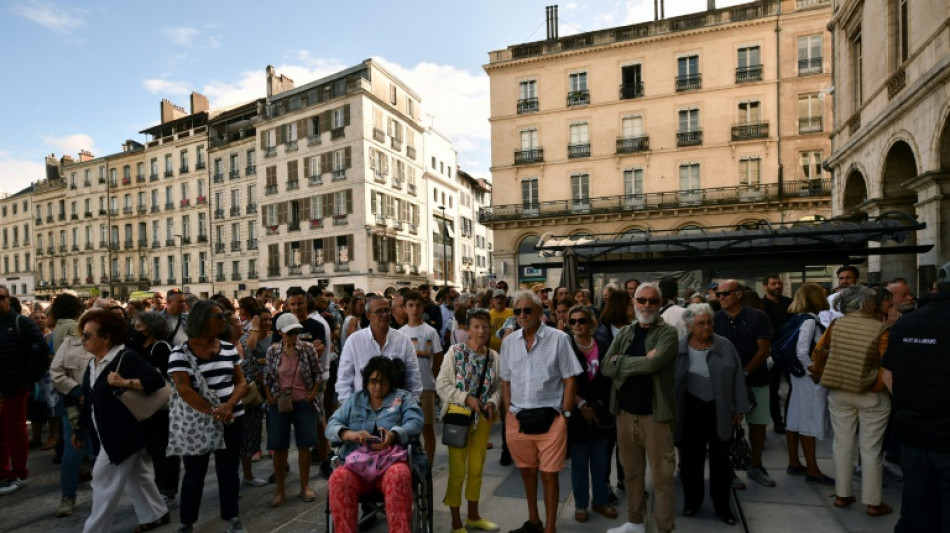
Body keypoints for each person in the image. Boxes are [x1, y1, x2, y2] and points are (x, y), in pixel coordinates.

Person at [70, 309, 169, 532]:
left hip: (123, 433)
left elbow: (156, 381)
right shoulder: (94, 363)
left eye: (87, 335)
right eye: (83, 335)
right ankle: (156, 513)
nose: (82, 340)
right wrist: (80, 428)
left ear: (106, 337)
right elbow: (90, 400)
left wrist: (125, 382)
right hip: (105, 432)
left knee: (102, 480)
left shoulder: (126, 357)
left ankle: (94, 529)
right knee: (137, 476)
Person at [500, 290, 581, 533]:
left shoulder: (559, 339)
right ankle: (534, 521)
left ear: (540, 312)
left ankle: (551, 528)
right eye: (517, 311)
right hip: (518, 419)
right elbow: (505, 380)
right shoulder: (509, 342)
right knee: (526, 473)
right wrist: (508, 414)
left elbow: (569, 379)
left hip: (551, 419)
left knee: (549, 475)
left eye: (527, 310)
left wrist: (565, 416)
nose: (522, 315)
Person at [602, 282, 679, 533]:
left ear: (660, 304)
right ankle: (635, 522)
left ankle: (664, 528)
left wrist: (622, 362)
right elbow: (606, 366)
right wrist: (640, 361)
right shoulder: (626, 332)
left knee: (662, 478)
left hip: (656, 416)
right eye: (641, 300)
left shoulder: (668, 333)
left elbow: (653, 366)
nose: (646, 305)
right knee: (631, 474)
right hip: (625, 414)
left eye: (652, 301)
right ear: (633, 302)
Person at [167, 300, 248, 533]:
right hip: (199, 421)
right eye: (218, 316)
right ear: (202, 321)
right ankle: (187, 522)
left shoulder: (229, 348)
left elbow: (241, 382)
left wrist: (228, 407)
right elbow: (184, 390)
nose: (224, 320)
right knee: (194, 474)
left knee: (229, 471)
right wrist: (214, 412)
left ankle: (232, 517)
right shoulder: (179, 353)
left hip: (232, 417)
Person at [881, 268, 950, 532]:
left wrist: (909, 405)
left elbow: (887, 375)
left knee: (916, 513)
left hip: (913, 432)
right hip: (942, 436)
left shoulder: (905, 324)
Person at [326, 356, 424, 533]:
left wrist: (393, 435)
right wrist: (351, 434)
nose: (377, 387)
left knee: (399, 475)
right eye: (373, 381)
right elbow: (332, 425)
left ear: (391, 382)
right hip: (357, 466)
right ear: (366, 381)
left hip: (390, 464)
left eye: (383, 382)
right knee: (338, 479)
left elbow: (416, 422)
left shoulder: (402, 398)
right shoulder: (355, 401)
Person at [820, 285, 893, 517]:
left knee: (842, 443)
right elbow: (887, 363)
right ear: (866, 303)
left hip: (839, 390)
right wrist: (877, 385)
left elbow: (820, 351)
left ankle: (842, 495)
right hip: (871, 393)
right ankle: (873, 502)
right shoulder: (880, 328)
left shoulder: (836, 325)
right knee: (871, 448)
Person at [675, 303, 749, 525]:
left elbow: (737, 378)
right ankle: (692, 502)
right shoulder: (679, 347)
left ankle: (723, 506)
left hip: (719, 407)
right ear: (689, 326)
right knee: (691, 460)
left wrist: (739, 408)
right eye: (700, 323)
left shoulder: (725, 345)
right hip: (690, 408)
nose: (706, 327)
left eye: (709, 322)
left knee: (721, 461)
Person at [436, 308, 502, 533]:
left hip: (483, 420)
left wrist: (492, 401)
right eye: (476, 326)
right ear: (467, 329)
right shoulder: (455, 352)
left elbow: (498, 387)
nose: (481, 330)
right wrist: (466, 399)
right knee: (457, 471)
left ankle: (473, 516)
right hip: (458, 417)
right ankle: (456, 522)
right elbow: (442, 385)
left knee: (476, 469)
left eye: (485, 326)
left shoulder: (493, 356)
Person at [712, 279, 774, 488]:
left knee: (758, 424)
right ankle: (728, 469)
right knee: (727, 426)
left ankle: (756, 466)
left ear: (739, 294)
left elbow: (763, 349)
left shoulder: (758, 316)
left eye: (724, 293)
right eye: (717, 294)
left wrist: (745, 373)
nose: (719, 297)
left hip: (756, 378)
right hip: (726, 384)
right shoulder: (715, 318)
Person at [263, 313, 325, 507]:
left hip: (303, 401)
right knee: (278, 446)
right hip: (280, 402)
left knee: (304, 445)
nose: (294, 335)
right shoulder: (273, 351)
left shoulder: (307, 349)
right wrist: (269, 396)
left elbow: (317, 373)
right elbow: (267, 377)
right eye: (290, 332)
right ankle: (280, 489)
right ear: (280, 332)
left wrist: (312, 393)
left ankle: (305, 485)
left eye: (296, 331)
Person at [565, 305, 616, 523]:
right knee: (578, 462)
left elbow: (610, 379)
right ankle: (581, 504)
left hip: (601, 411)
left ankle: (601, 501)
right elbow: (563, 379)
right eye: (573, 321)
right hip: (578, 413)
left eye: (582, 321)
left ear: (590, 322)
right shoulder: (565, 346)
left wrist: (596, 405)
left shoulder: (604, 344)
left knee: (600, 461)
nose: (577, 325)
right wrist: (582, 404)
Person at [129, 311, 182, 510]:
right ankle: (158, 487)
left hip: (162, 406)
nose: (136, 327)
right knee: (154, 449)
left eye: (139, 324)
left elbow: (165, 376)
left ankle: (169, 491)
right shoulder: (136, 346)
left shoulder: (161, 347)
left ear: (150, 327)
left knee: (166, 449)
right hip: (145, 405)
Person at [783, 283, 834, 487]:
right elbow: (802, 352)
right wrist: (814, 371)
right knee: (809, 422)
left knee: (795, 418)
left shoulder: (798, 319)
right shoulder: (810, 322)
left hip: (799, 377)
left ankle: (795, 462)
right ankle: (813, 469)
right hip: (808, 379)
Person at [47, 293, 93, 516]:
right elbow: (56, 372)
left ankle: (107, 495)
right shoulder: (70, 342)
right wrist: (76, 390)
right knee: (72, 452)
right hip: (74, 406)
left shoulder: (110, 344)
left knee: (102, 452)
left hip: (102, 407)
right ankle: (68, 497)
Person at [0, 284, 47, 497]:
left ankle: (18, 474)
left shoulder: (21, 323)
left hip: (14, 389)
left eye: (0, 297)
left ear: (9, 300)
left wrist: (26, 383)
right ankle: (3, 472)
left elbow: (38, 354)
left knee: (16, 432)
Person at [337, 296, 423, 402]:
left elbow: (413, 379)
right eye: (379, 312)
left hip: (395, 407)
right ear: (368, 315)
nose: (385, 315)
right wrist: (353, 409)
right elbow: (344, 381)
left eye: (387, 310)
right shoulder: (354, 341)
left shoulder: (403, 340)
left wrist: (408, 407)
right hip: (363, 408)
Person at [595, 289, 633, 501]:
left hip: (630, 395)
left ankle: (624, 480)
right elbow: (605, 366)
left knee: (627, 443)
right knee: (606, 444)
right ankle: (604, 485)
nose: (634, 308)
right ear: (621, 307)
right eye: (630, 305)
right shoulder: (602, 333)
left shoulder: (636, 329)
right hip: (609, 396)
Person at [400, 290, 444, 465]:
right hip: (405, 390)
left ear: (423, 307)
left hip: (426, 387)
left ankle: (429, 464)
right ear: (404, 308)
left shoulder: (430, 331)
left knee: (427, 428)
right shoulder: (400, 333)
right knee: (407, 429)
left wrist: (432, 375)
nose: (414, 309)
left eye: (418, 305)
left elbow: (438, 356)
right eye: (410, 305)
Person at [239, 308, 273, 478]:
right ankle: (256, 449)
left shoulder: (274, 336)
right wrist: (255, 328)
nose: (267, 323)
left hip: (270, 383)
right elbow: (249, 347)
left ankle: (272, 448)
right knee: (254, 421)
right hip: (254, 384)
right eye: (264, 320)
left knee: (270, 417)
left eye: (269, 319)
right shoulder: (249, 337)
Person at [762, 273, 794, 436]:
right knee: (773, 389)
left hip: (788, 352)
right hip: (771, 352)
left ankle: (790, 419)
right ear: (765, 286)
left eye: (779, 283)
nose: (777, 286)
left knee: (793, 387)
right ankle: (777, 421)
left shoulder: (789, 303)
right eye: (773, 284)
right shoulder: (762, 306)